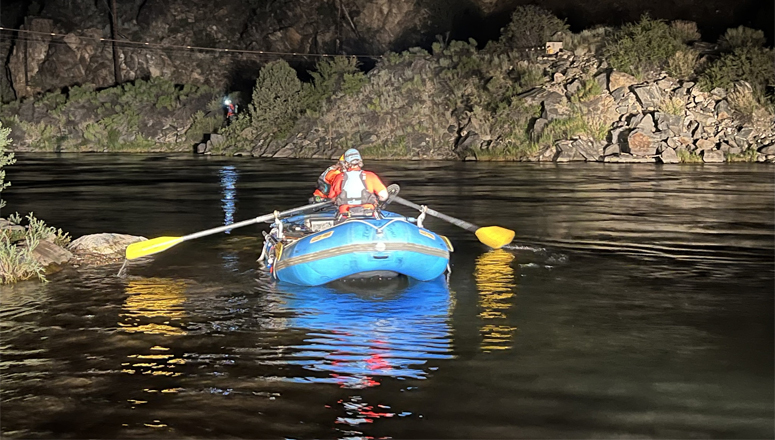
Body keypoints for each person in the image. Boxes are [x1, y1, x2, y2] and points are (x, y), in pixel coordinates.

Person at [327, 148, 389, 217]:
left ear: (346, 163)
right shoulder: (370, 175)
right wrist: (377, 198)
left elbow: (332, 198)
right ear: (360, 161)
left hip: (345, 215)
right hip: (369, 214)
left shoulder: (338, 177)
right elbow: (384, 196)